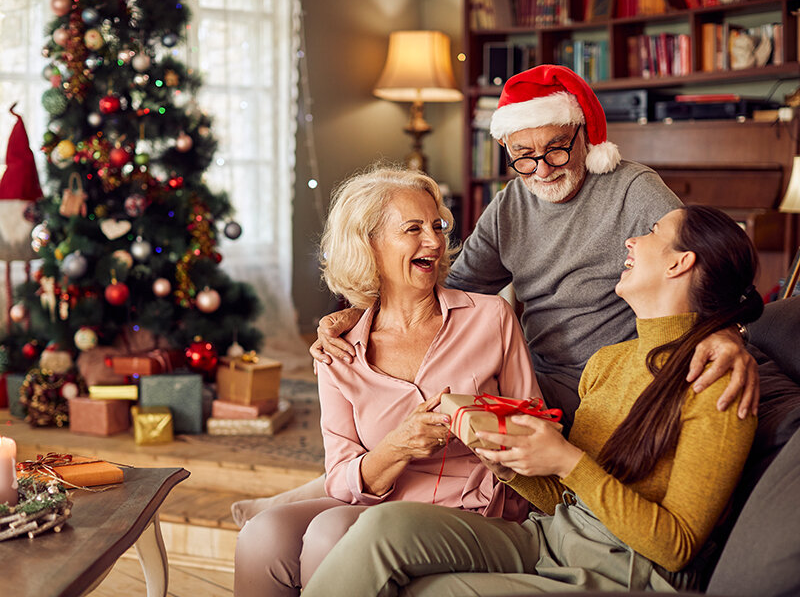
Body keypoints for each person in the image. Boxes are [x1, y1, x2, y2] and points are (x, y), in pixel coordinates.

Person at [300, 204, 763, 596]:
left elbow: (677, 547)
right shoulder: (609, 362)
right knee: (383, 530)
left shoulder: (719, 380)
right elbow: (565, 497)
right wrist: (503, 458)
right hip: (553, 537)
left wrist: (565, 459)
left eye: (653, 233)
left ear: (679, 263)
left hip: (625, 570)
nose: (631, 241)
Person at [311, 65, 758, 431]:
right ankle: (328, 494)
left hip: (608, 383)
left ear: (584, 136)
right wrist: (360, 315)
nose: (542, 171)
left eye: (557, 150)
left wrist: (721, 332)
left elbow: (702, 258)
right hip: (532, 374)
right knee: (406, 414)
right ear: (506, 148)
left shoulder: (634, 190)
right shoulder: (510, 205)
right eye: (524, 156)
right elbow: (450, 284)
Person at [234, 167, 542, 596]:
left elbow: (536, 428)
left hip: (471, 507)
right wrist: (399, 446)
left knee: (329, 532)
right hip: (378, 498)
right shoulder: (340, 350)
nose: (434, 241)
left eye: (437, 226)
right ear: (369, 245)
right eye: (412, 229)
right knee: (262, 535)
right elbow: (340, 475)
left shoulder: (491, 318)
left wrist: (491, 437)